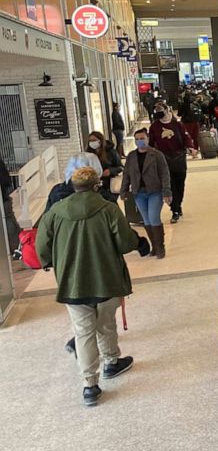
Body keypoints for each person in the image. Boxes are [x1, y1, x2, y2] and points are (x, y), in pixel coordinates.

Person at [35, 167, 148, 406]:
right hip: (106, 277)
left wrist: (52, 262)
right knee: (106, 322)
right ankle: (111, 361)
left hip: (72, 282)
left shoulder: (56, 211)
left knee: (83, 331)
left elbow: (42, 246)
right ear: (97, 185)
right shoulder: (108, 209)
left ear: (73, 186)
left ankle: (90, 385)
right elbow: (125, 241)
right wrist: (138, 243)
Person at [120, 128, 172, 259]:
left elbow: (165, 174)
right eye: (137, 139)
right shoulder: (131, 156)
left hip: (155, 191)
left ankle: (160, 247)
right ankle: (154, 246)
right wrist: (124, 190)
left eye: (142, 138)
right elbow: (126, 174)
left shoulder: (157, 155)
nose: (139, 141)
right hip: (139, 192)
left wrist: (166, 192)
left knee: (154, 217)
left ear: (148, 139)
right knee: (146, 220)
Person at [149, 102, 193, 224]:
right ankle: (175, 210)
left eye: (160, 109)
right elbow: (151, 143)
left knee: (180, 184)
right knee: (170, 185)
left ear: (167, 109)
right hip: (163, 159)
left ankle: (178, 204)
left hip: (179, 158)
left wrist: (190, 147)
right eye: (156, 109)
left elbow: (186, 137)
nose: (158, 112)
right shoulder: (154, 127)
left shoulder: (178, 124)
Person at [85, 131, 123, 198]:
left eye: (94, 140)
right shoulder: (87, 154)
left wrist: (111, 171)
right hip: (94, 186)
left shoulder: (111, 152)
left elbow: (121, 167)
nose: (92, 142)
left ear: (100, 141)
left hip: (109, 185)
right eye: (90, 141)